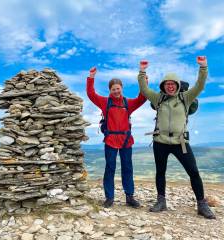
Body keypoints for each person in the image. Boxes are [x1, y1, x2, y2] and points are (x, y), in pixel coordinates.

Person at [137, 57, 216, 219]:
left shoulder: (185, 98)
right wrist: (142, 71)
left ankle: (202, 204)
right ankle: (161, 201)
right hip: (160, 142)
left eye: (173, 84)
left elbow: (200, 85)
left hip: (181, 143)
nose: (170, 86)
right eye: (167, 84)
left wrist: (203, 67)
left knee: (193, 172)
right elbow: (144, 89)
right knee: (160, 172)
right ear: (163, 86)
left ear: (177, 86)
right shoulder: (158, 98)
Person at [86, 67, 147, 208]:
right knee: (110, 168)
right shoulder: (104, 102)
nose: (116, 91)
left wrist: (144, 79)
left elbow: (142, 98)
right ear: (110, 90)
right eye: (113, 89)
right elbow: (91, 94)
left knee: (127, 168)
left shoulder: (128, 103)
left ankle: (130, 197)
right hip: (111, 141)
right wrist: (91, 77)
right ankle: (109, 198)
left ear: (122, 88)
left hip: (126, 141)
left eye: (118, 88)